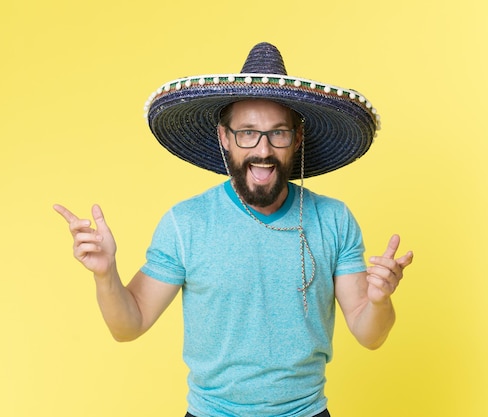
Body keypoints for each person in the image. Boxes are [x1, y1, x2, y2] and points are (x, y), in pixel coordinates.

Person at [54, 42, 413, 417]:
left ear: (297, 138)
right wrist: (105, 274)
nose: (263, 149)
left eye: (278, 133)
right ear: (224, 137)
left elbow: (370, 334)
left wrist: (379, 300)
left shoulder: (333, 219)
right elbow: (129, 324)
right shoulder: (186, 222)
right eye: (247, 133)